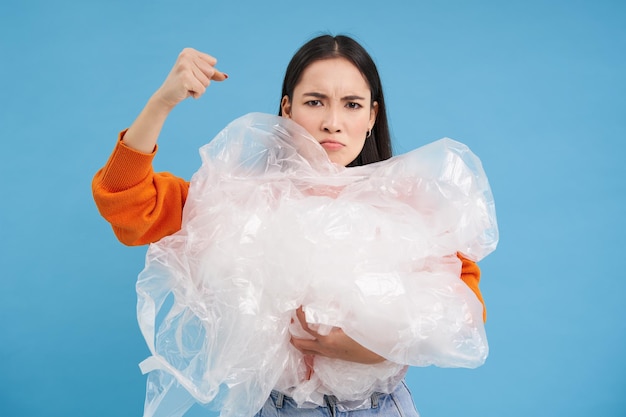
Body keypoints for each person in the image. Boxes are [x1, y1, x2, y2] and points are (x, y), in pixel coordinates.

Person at [93, 34, 488, 417]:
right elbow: (124, 197)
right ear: (287, 109)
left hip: (381, 408)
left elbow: (462, 309)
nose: (333, 122)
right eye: (315, 102)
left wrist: (379, 348)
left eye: (352, 105)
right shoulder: (239, 201)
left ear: (372, 116)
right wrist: (162, 102)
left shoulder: (407, 204)